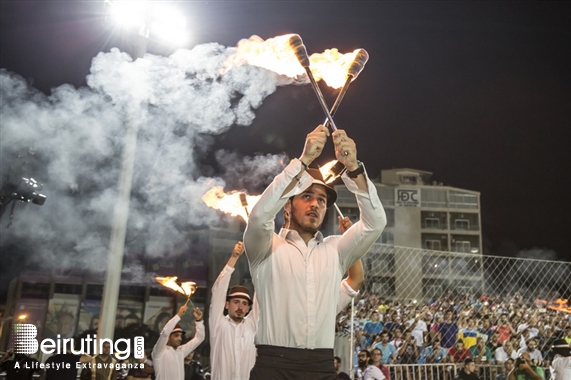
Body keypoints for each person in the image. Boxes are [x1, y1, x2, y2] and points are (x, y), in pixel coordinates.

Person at [244, 125, 386, 379]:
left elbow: (375, 223)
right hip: (273, 367)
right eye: (307, 196)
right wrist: (303, 161)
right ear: (287, 207)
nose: (316, 204)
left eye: (322, 200)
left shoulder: (335, 249)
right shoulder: (266, 246)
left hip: (322, 368)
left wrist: (354, 168)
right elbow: (258, 217)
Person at [209, 241, 257, 380]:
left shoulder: (252, 326)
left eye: (244, 304)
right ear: (226, 304)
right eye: (236, 302)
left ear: (249, 308)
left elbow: (261, 294)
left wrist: (258, 260)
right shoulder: (218, 325)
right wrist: (234, 258)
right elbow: (218, 290)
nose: (240, 307)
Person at [152, 303, 205, 380]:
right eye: (176, 335)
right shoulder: (159, 352)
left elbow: (200, 338)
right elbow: (165, 333)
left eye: (180, 336)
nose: (180, 338)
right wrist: (178, 315)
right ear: (169, 337)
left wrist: (199, 320)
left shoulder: (181, 351)